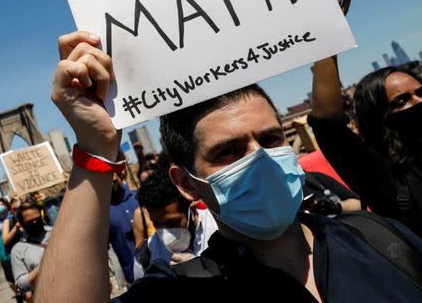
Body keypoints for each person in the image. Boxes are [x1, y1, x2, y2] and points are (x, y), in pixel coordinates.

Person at [36, 30, 422, 302]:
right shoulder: (179, 289)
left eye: (271, 139)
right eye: (228, 151)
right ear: (187, 184)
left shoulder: (379, 238)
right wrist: (93, 151)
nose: (260, 157)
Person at [310, 0, 422, 235]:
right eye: (402, 100)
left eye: (420, 93)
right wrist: (328, 28)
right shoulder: (384, 175)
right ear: (379, 117)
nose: (417, 102)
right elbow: (327, 125)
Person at [136, 163, 218, 265]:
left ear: (191, 208)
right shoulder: (151, 250)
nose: (165, 233)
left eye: (172, 223)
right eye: (156, 224)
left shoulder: (219, 227)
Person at [10, 200, 51, 298]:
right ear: (21, 223)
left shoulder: (58, 231)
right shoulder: (18, 250)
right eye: (30, 222)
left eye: (37, 219)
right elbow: (21, 284)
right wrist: (43, 265)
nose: (35, 223)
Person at [109, 168, 139, 283]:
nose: (112, 185)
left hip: (159, 263)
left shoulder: (138, 198)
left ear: (121, 178)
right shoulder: (104, 214)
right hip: (134, 275)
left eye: (115, 181)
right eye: (108, 183)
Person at [0, 197, 18, 285]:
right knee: (11, 280)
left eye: (1, 205)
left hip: (16, 251)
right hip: (5, 255)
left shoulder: (12, 216)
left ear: (6, 205)